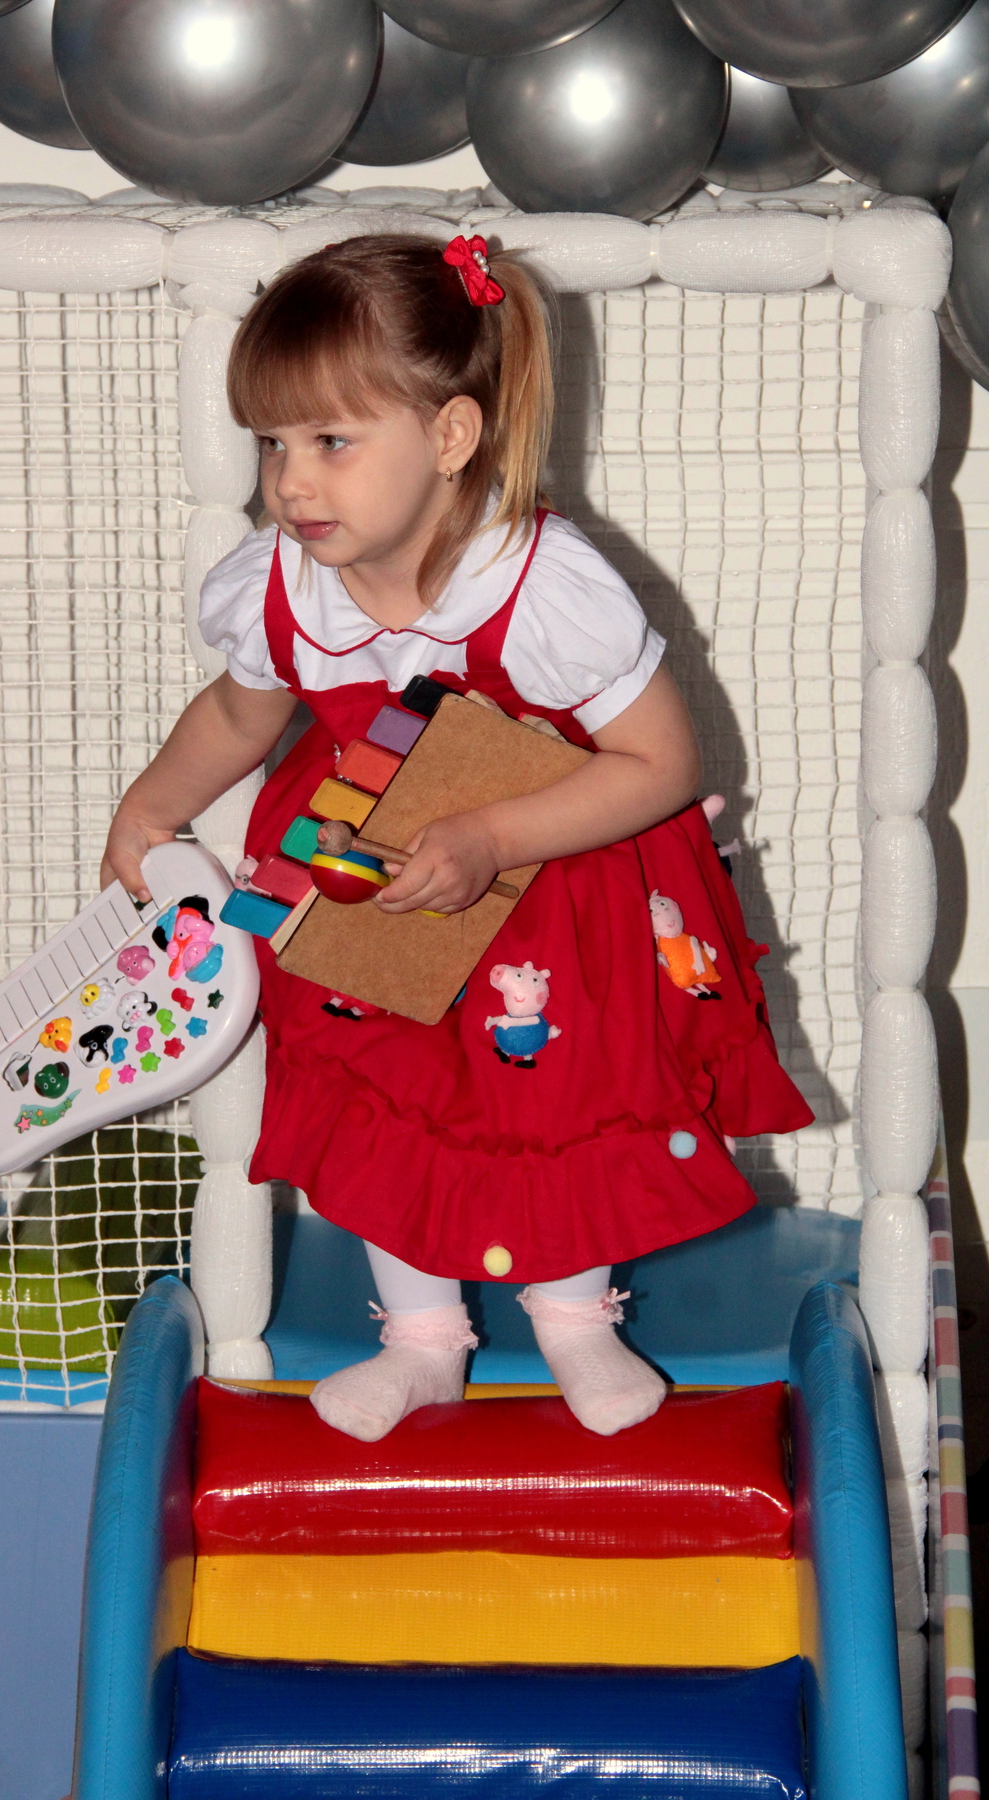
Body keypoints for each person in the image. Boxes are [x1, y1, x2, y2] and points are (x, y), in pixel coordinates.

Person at [102, 232, 812, 1443]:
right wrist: (149, 808)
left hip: (548, 888)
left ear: (449, 438)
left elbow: (661, 765)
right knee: (376, 1089)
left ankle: (577, 1316)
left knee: (555, 1094)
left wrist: (488, 834)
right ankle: (423, 1337)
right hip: (358, 880)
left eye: (330, 441)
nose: (291, 481)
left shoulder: (539, 584)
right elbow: (238, 710)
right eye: (272, 443)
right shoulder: (283, 584)